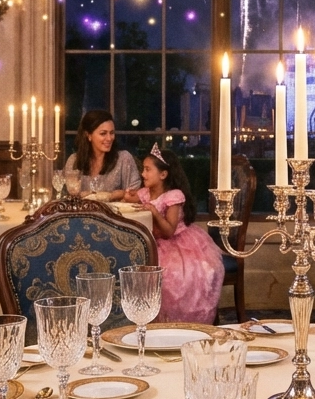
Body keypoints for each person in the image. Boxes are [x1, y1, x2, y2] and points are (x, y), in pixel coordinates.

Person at [134, 144, 224, 324]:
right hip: (152, 243)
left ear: (163, 174)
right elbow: (128, 197)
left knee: (170, 277)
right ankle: (145, 321)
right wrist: (112, 196)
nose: (143, 174)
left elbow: (168, 231)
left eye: (147, 170)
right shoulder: (145, 193)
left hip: (178, 244)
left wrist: (154, 212)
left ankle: (176, 323)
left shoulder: (173, 196)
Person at [63, 109, 141, 200]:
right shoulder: (74, 161)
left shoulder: (124, 159)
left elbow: (135, 196)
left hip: (116, 214)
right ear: (88, 135)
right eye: (103, 133)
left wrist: (112, 196)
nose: (109, 138)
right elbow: (67, 197)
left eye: (111, 133)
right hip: (82, 214)